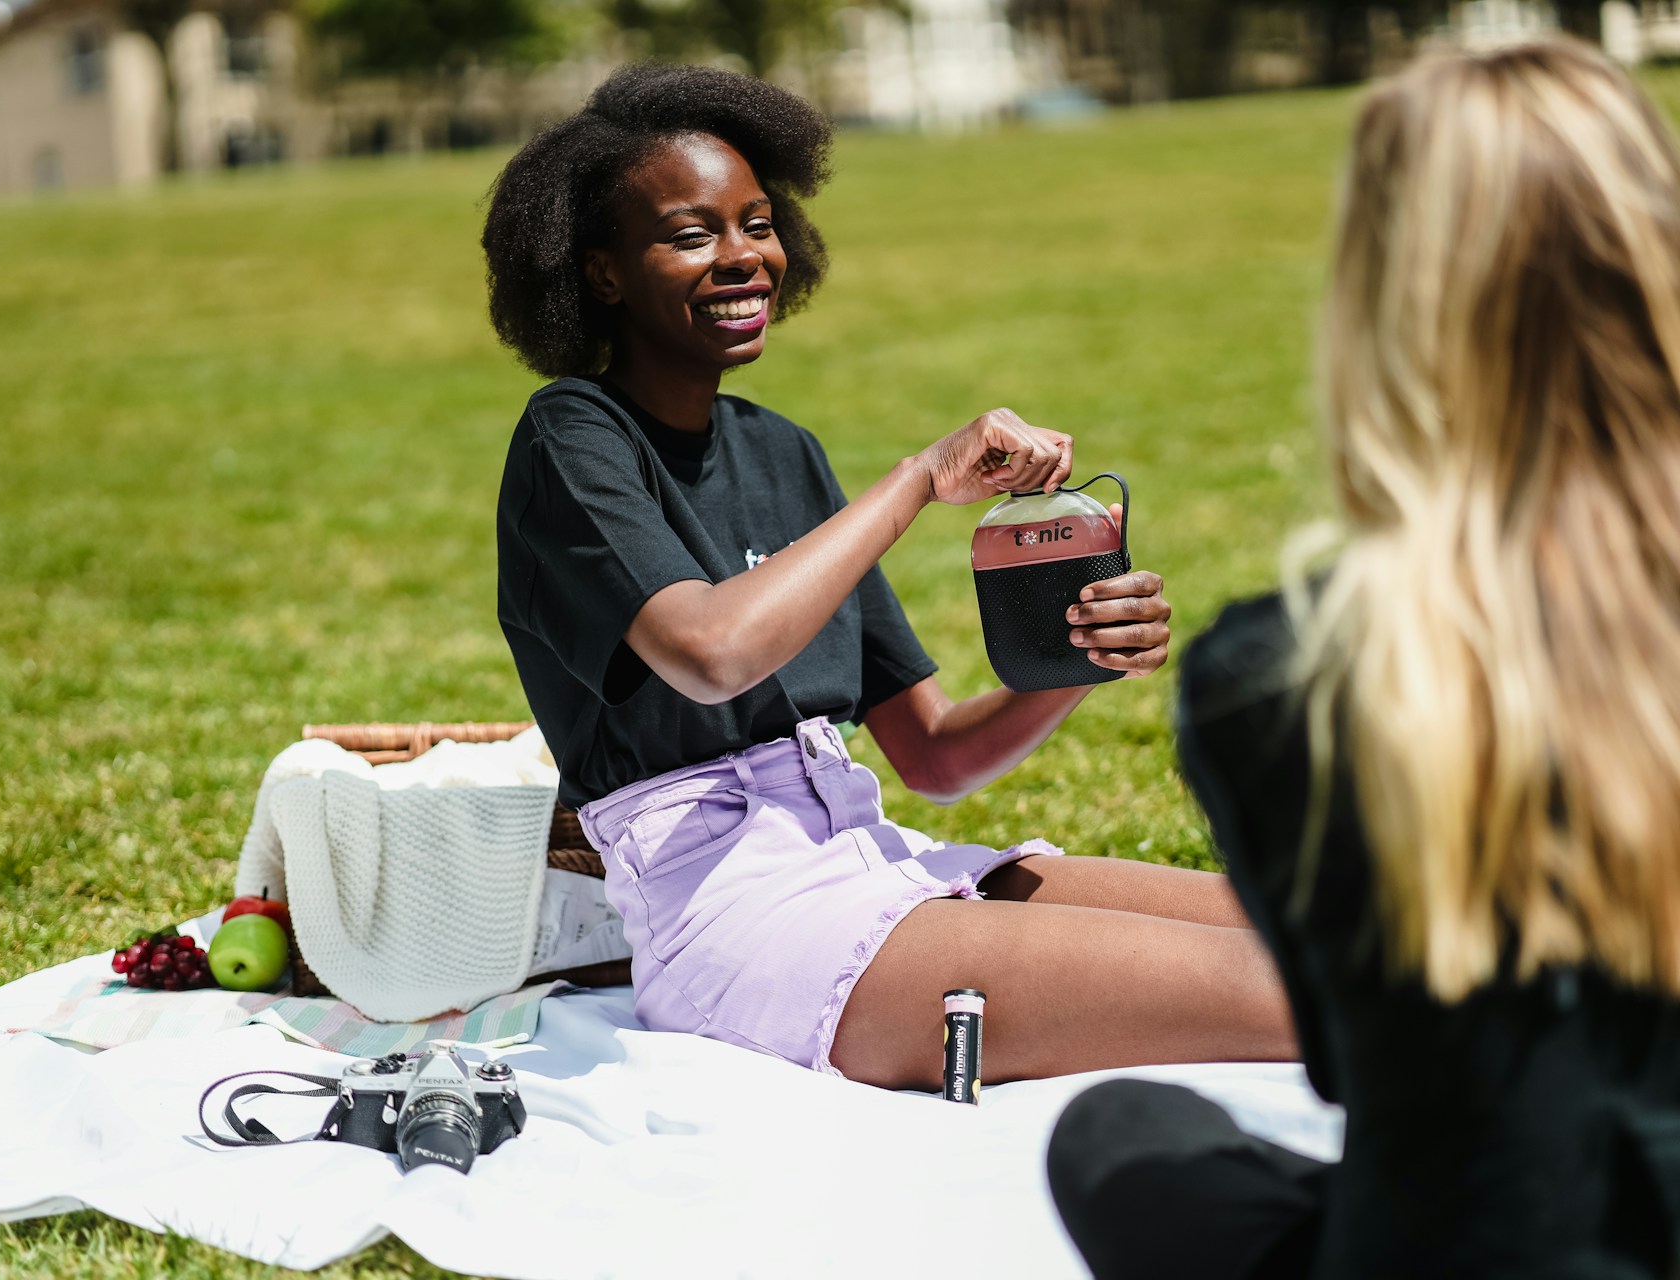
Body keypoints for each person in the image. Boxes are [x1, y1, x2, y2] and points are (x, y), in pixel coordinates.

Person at [484, 64, 1297, 1087]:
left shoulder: (783, 453)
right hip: (742, 920)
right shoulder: (572, 437)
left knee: (1319, 929)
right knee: (1304, 990)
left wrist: (1075, 661)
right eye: (693, 234)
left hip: (872, 854)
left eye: (759, 223)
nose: (744, 258)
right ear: (602, 273)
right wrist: (918, 478)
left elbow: (937, 755)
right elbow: (712, 651)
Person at [1047, 40, 1680, 1279]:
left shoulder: (1279, 675)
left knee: (1120, 1134)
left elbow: (1348, 1063)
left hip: (1458, 1239)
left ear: (1383, 296)